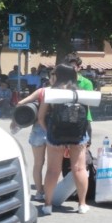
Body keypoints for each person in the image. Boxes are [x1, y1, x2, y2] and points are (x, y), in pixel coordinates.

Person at [37, 64, 90, 215]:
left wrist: (50, 132)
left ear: (58, 76)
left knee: (53, 170)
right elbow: (85, 116)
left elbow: (41, 118)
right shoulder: (81, 92)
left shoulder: (50, 93)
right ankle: (82, 204)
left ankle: (47, 205)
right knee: (79, 169)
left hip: (56, 135)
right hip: (78, 135)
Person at [12, 85, 51, 203]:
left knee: (38, 164)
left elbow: (20, 103)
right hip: (53, 129)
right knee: (53, 166)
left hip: (38, 130)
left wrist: (15, 121)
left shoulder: (42, 91)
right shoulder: (62, 91)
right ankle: (50, 192)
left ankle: (39, 192)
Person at [63, 53, 94, 144]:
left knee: (84, 147)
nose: (70, 69)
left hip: (83, 119)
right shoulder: (61, 82)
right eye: (68, 67)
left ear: (79, 68)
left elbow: (88, 102)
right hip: (64, 119)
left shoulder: (87, 83)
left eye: (73, 67)